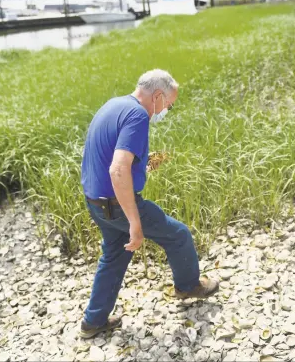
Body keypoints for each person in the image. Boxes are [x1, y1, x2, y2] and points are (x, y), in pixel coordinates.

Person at [79, 69, 219, 339]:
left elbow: (105, 155)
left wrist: (142, 164)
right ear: (157, 96)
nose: (166, 110)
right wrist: (134, 222)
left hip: (96, 203)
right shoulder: (138, 116)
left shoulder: (114, 105)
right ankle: (188, 286)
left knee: (114, 256)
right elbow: (117, 170)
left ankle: (93, 322)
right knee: (178, 235)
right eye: (168, 104)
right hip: (118, 204)